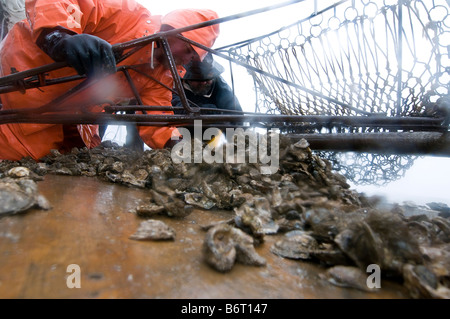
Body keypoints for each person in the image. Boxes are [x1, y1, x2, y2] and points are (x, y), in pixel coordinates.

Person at [0, 0, 220, 161]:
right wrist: (58, 36)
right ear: (173, 29)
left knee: (66, 180)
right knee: (12, 159)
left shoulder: (161, 74)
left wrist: (179, 143)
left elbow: (159, 119)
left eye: (194, 56)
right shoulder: (127, 15)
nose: (190, 58)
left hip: (63, 119)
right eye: (189, 48)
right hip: (16, 90)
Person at [172, 52, 242, 114]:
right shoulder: (175, 85)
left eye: (208, 79)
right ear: (186, 79)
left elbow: (236, 113)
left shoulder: (221, 87)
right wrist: (204, 110)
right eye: (198, 80)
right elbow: (174, 106)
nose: (204, 82)